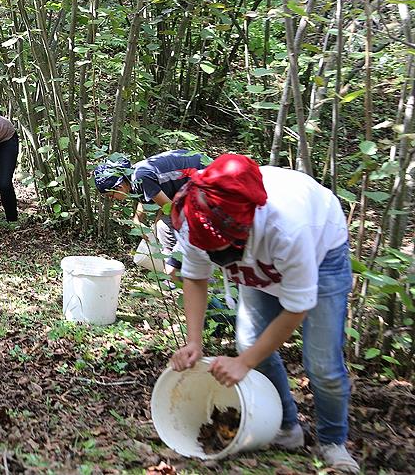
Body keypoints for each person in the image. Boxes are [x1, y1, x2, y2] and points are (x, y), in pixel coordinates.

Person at [168, 154, 359, 474]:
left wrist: (244, 364)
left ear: (244, 229)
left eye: (225, 250)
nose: (219, 259)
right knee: (249, 342)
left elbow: (297, 307)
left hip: (323, 251)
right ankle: (287, 427)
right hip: (261, 262)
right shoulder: (198, 215)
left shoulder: (288, 228)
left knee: (322, 364)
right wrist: (194, 342)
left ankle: (332, 441)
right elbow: (195, 276)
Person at [94, 149, 207, 283]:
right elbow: (152, 198)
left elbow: (171, 209)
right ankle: (179, 271)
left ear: (119, 187)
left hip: (204, 179)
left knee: (165, 227)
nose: (112, 199)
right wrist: (137, 219)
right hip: (189, 185)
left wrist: (158, 226)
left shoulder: (141, 177)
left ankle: (176, 273)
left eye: (110, 195)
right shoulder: (134, 177)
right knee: (162, 226)